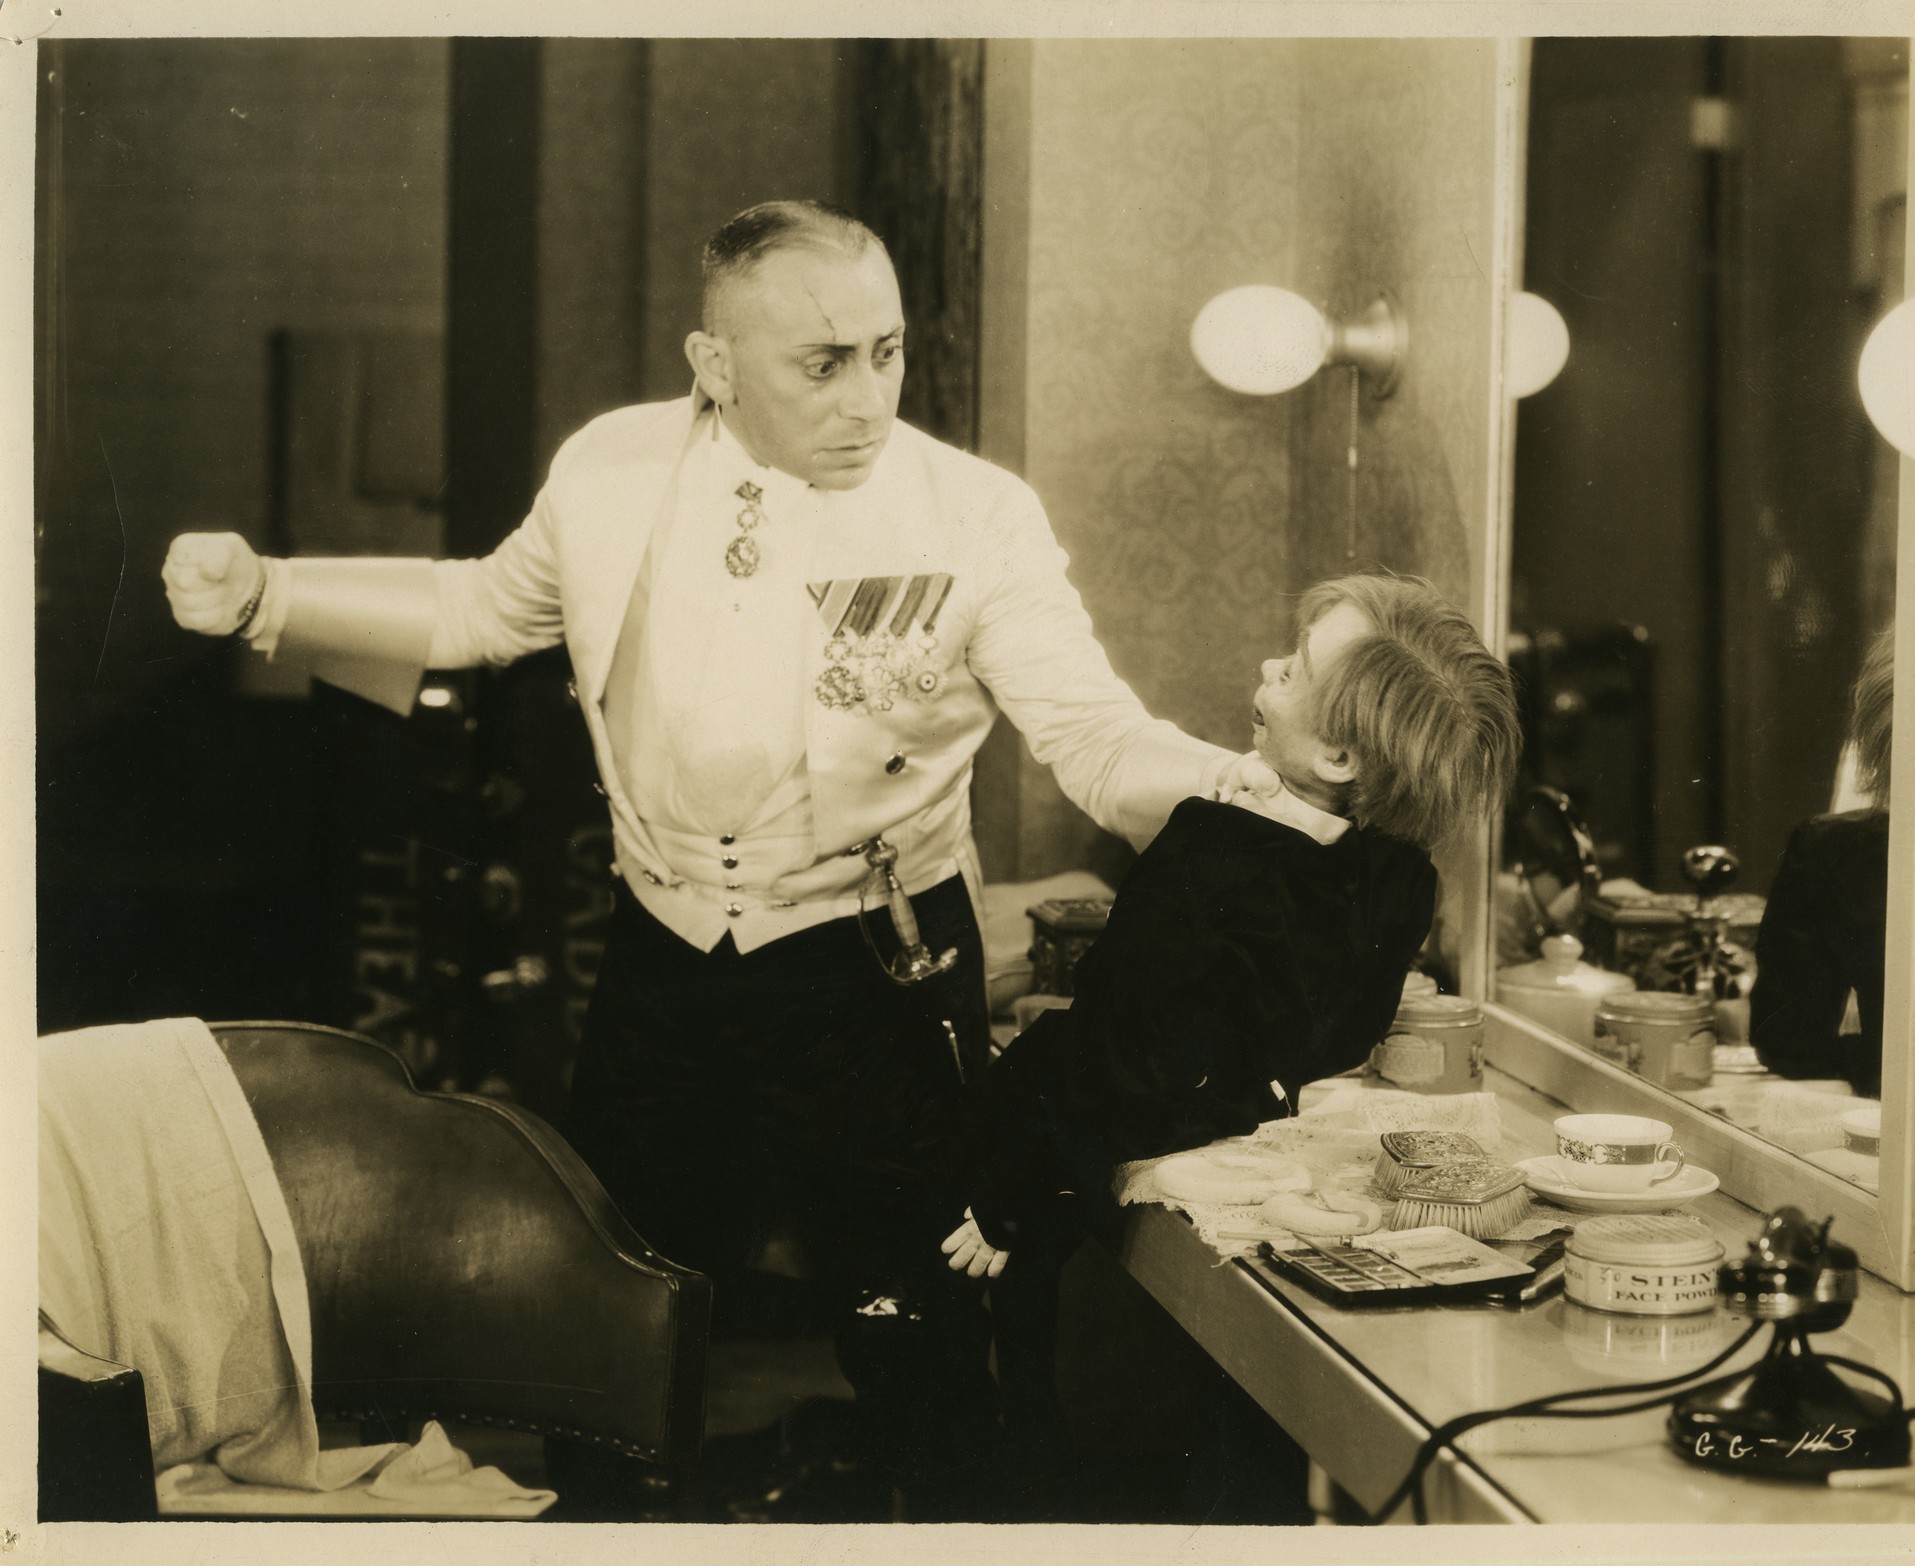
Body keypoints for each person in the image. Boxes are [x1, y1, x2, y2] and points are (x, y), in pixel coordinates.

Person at [160, 199, 1272, 1521]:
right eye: (823, 363)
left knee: (924, 1321)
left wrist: (1236, 794)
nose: (869, 397)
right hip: (666, 952)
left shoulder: (975, 515)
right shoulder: (610, 469)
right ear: (715, 364)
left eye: (886, 351)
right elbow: (480, 609)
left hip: (876, 963)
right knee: (616, 1311)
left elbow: (1091, 735)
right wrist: (271, 595)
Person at [937, 573, 1521, 1503]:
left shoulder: (1204, 845)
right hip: (1236, 1140)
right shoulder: (1400, 878)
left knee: (1058, 1426)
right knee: (1219, 1454)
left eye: (1292, 671)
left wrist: (1012, 1189)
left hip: (1090, 1164)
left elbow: (1110, 1051)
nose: (1267, 666)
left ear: (1338, 754)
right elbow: (1344, 1032)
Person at [1751, 626, 1894, 1098]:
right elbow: (1790, 1045)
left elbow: (1792, 1047)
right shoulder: (1835, 851)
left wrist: (1879, 1059)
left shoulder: (1837, 851)